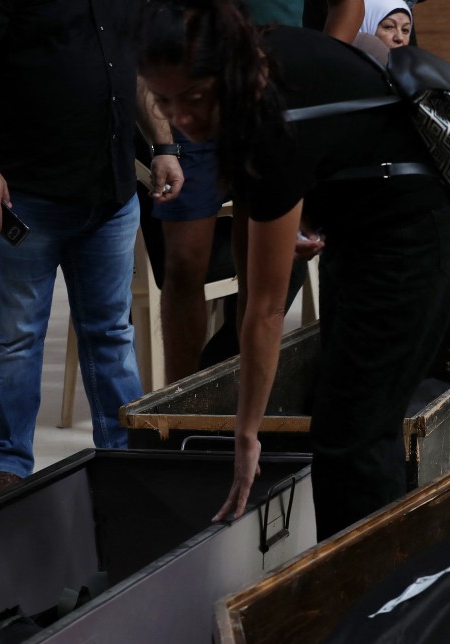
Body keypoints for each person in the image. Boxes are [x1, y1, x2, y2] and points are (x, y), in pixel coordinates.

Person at [139, 0, 450, 539]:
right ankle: (358, 578)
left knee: (354, 437)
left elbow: (266, 309)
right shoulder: (259, 62)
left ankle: (367, 593)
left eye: (194, 98)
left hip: (414, 238)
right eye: (164, 102)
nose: (181, 118)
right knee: (345, 420)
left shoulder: (268, 119)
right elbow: (254, 267)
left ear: (228, 72)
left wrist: (247, 435)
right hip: (365, 234)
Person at [0, 0, 181, 503]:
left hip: (110, 196)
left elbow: (130, 65)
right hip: (24, 197)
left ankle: (124, 455)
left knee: (111, 333)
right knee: (14, 335)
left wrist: (164, 145)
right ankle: (5, 467)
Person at [152, 0, 364, 384]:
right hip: (194, 92)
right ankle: (177, 404)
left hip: (268, 98)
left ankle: (241, 394)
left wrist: (312, 79)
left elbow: (349, 5)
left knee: (263, 271)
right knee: (183, 263)